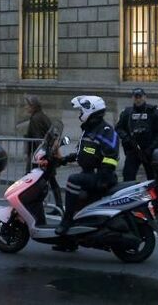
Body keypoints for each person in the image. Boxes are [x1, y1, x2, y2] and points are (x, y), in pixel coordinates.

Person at [55, 95, 120, 237]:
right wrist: (64, 160)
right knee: (78, 188)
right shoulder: (89, 129)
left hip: (102, 176)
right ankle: (71, 237)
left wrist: (103, 177)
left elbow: (111, 156)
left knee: (73, 180)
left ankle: (67, 220)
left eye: (81, 110)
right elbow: (83, 152)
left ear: (90, 110)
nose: (80, 113)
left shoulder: (105, 130)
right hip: (90, 174)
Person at [115, 88, 158, 182]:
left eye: (140, 97)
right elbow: (118, 128)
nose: (138, 99)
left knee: (153, 179)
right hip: (133, 150)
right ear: (132, 98)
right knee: (128, 177)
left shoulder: (153, 111)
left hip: (150, 151)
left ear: (145, 97)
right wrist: (126, 138)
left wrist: (151, 148)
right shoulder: (127, 112)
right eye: (136, 97)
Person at [22, 96, 63, 214]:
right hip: (47, 155)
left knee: (31, 180)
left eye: (27, 105)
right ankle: (59, 205)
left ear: (33, 106)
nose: (26, 107)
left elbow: (38, 140)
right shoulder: (42, 116)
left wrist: (38, 157)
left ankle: (29, 205)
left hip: (41, 156)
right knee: (51, 180)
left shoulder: (36, 119)